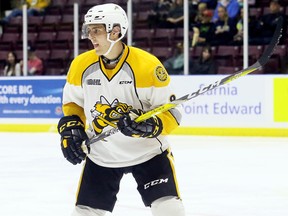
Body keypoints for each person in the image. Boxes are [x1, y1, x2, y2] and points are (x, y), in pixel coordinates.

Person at [57, 3, 185, 216]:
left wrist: (150, 127)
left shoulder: (147, 65)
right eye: (89, 31)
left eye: (96, 30)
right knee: (84, 213)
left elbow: (173, 112)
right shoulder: (81, 65)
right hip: (102, 154)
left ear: (116, 31)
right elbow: (73, 104)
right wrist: (72, 127)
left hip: (148, 152)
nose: (91, 36)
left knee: (169, 209)